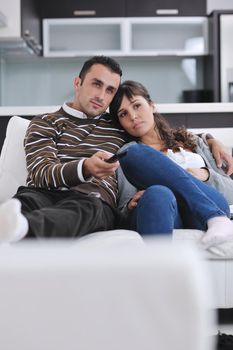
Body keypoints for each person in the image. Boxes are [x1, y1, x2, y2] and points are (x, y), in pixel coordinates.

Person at [0, 57, 231, 244]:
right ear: (77, 83)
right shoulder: (46, 122)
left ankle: (24, 230)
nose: (102, 96)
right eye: (96, 84)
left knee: (87, 205)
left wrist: (211, 141)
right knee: (22, 204)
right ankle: (14, 229)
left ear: (151, 105)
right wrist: (85, 167)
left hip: (90, 198)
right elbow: (41, 171)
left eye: (110, 90)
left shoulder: (121, 128)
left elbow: (167, 141)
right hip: (42, 192)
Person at [109, 80, 233, 249]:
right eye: (123, 114)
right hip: (166, 211)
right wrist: (131, 205)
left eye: (136, 106)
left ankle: (214, 216)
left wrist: (206, 175)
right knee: (156, 190)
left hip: (205, 208)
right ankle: (162, 270)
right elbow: (123, 210)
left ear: (152, 105)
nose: (132, 116)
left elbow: (231, 191)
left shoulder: (195, 142)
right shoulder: (129, 153)